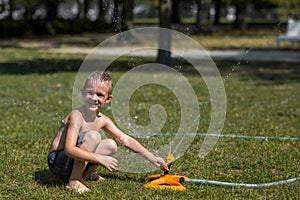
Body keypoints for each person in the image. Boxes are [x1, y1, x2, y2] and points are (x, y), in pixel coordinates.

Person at [48, 71, 166, 194]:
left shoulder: (102, 120)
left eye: (99, 95)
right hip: (58, 162)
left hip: (72, 161)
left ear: (108, 99)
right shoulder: (77, 115)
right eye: (89, 93)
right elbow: (69, 149)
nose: (94, 98)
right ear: (83, 93)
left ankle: (85, 175)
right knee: (93, 136)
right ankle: (73, 181)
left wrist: (151, 157)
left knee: (111, 145)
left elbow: (125, 139)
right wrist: (99, 158)